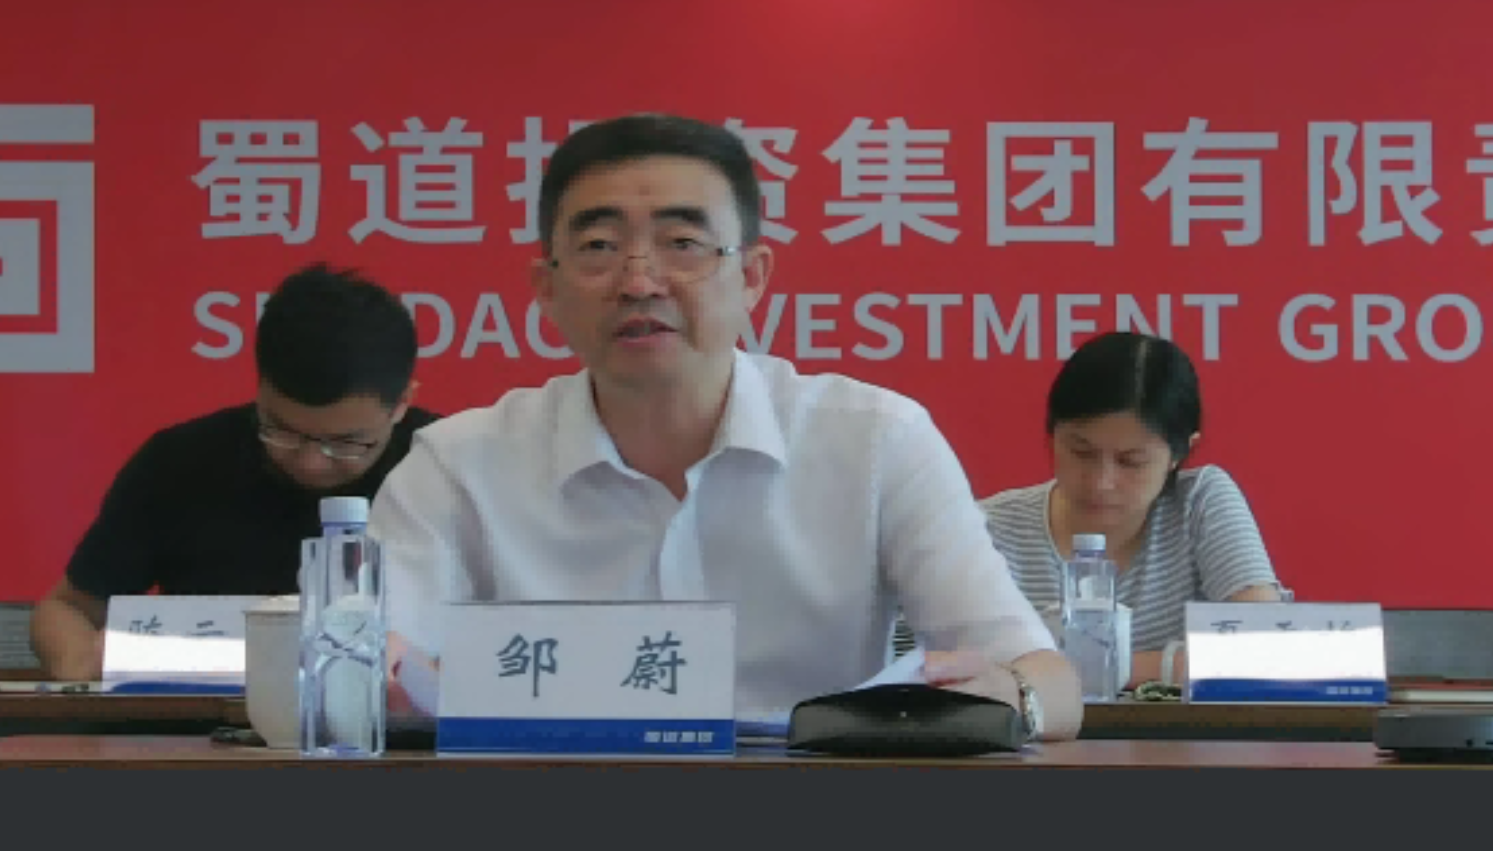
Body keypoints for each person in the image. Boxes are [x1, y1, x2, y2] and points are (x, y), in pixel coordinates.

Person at [369, 113, 1082, 740]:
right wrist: (378, 676)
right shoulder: (457, 466)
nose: (639, 282)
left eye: (683, 243)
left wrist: (1012, 695)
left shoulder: (875, 441)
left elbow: (1048, 682)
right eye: (599, 247)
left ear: (752, 276)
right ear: (546, 289)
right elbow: (377, 664)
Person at [30, 262, 439, 681]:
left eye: (346, 443)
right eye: (282, 431)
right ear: (260, 387)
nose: (310, 462)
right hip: (200, 715)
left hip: (391, 718)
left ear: (402, 403)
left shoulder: (444, 470)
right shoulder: (182, 461)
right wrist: (79, 661)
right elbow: (68, 608)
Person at [979, 330, 1283, 692]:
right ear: (1051, 435)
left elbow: (1266, 646)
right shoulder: (988, 529)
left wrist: (1095, 669)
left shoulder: (1199, 501)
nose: (1101, 482)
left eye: (1131, 461)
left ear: (1179, 454)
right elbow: (943, 667)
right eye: (1081, 453)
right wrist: (1177, 665)